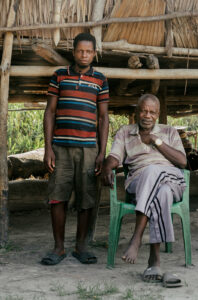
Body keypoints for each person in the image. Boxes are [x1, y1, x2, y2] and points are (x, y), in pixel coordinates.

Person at [102, 94, 186, 283]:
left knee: (155, 173)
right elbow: (114, 157)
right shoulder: (125, 132)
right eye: (143, 110)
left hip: (172, 180)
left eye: (152, 112)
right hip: (140, 183)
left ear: (158, 114)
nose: (147, 115)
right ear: (137, 112)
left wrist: (156, 141)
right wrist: (107, 166)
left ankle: (137, 237)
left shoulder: (169, 131)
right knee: (160, 191)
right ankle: (154, 261)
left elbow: (182, 161)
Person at [41, 33, 109, 265]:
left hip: (89, 149)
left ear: (94, 53)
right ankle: (58, 248)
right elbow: (49, 111)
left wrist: (101, 152)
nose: (84, 55)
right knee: (57, 197)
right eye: (80, 51)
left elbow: (103, 117)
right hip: (60, 147)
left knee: (86, 197)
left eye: (89, 51)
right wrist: (48, 147)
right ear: (74, 51)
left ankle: (81, 246)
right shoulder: (59, 76)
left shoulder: (100, 79)